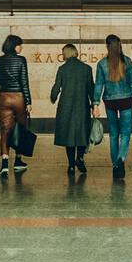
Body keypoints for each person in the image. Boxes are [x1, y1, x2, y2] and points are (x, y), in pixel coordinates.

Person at [91, 34, 132, 180]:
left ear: (107, 46)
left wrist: (95, 104)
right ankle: (121, 159)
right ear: (119, 45)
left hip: (110, 102)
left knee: (113, 135)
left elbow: (99, 85)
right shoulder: (127, 61)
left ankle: (115, 166)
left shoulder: (101, 64)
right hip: (126, 100)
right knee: (125, 133)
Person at [50, 43, 94, 174]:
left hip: (66, 106)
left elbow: (56, 87)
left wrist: (53, 97)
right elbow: (91, 88)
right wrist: (94, 104)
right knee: (82, 132)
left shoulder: (62, 69)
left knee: (69, 135)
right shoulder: (87, 69)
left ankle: (70, 165)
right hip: (82, 106)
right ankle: (80, 158)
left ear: (66, 54)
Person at [0, 34, 31, 176]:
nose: (21, 47)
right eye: (20, 44)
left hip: (4, 98)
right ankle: (18, 161)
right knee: (20, 129)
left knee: (5, 130)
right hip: (19, 98)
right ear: (14, 46)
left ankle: (4, 163)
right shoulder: (21, 60)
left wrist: (5, 81)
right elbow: (24, 82)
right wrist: (28, 101)